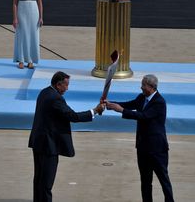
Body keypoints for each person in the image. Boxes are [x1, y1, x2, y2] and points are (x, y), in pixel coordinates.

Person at [28, 71, 105, 202]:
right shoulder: (55, 98)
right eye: (66, 85)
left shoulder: (44, 92)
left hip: (39, 142)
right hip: (48, 145)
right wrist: (95, 111)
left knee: (39, 179)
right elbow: (73, 116)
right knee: (46, 182)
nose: (67, 88)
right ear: (58, 85)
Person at [105, 74, 174, 202]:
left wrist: (121, 111)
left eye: (143, 85)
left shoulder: (159, 102)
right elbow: (129, 104)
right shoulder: (142, 97)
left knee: (163, 180)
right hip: (143, 148)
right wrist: (112, 105)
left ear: (152, 87)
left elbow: (143, 116)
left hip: (157, 149)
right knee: (145, 181)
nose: (141, 87)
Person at [12, 0, 43, 69]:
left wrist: (41, 17)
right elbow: (15, 3)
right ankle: (21, 60)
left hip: (34, 13)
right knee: (21, 36)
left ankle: (30, 61)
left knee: (33, 36)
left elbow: (40, 2)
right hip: (22, 13)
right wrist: (15, 18)